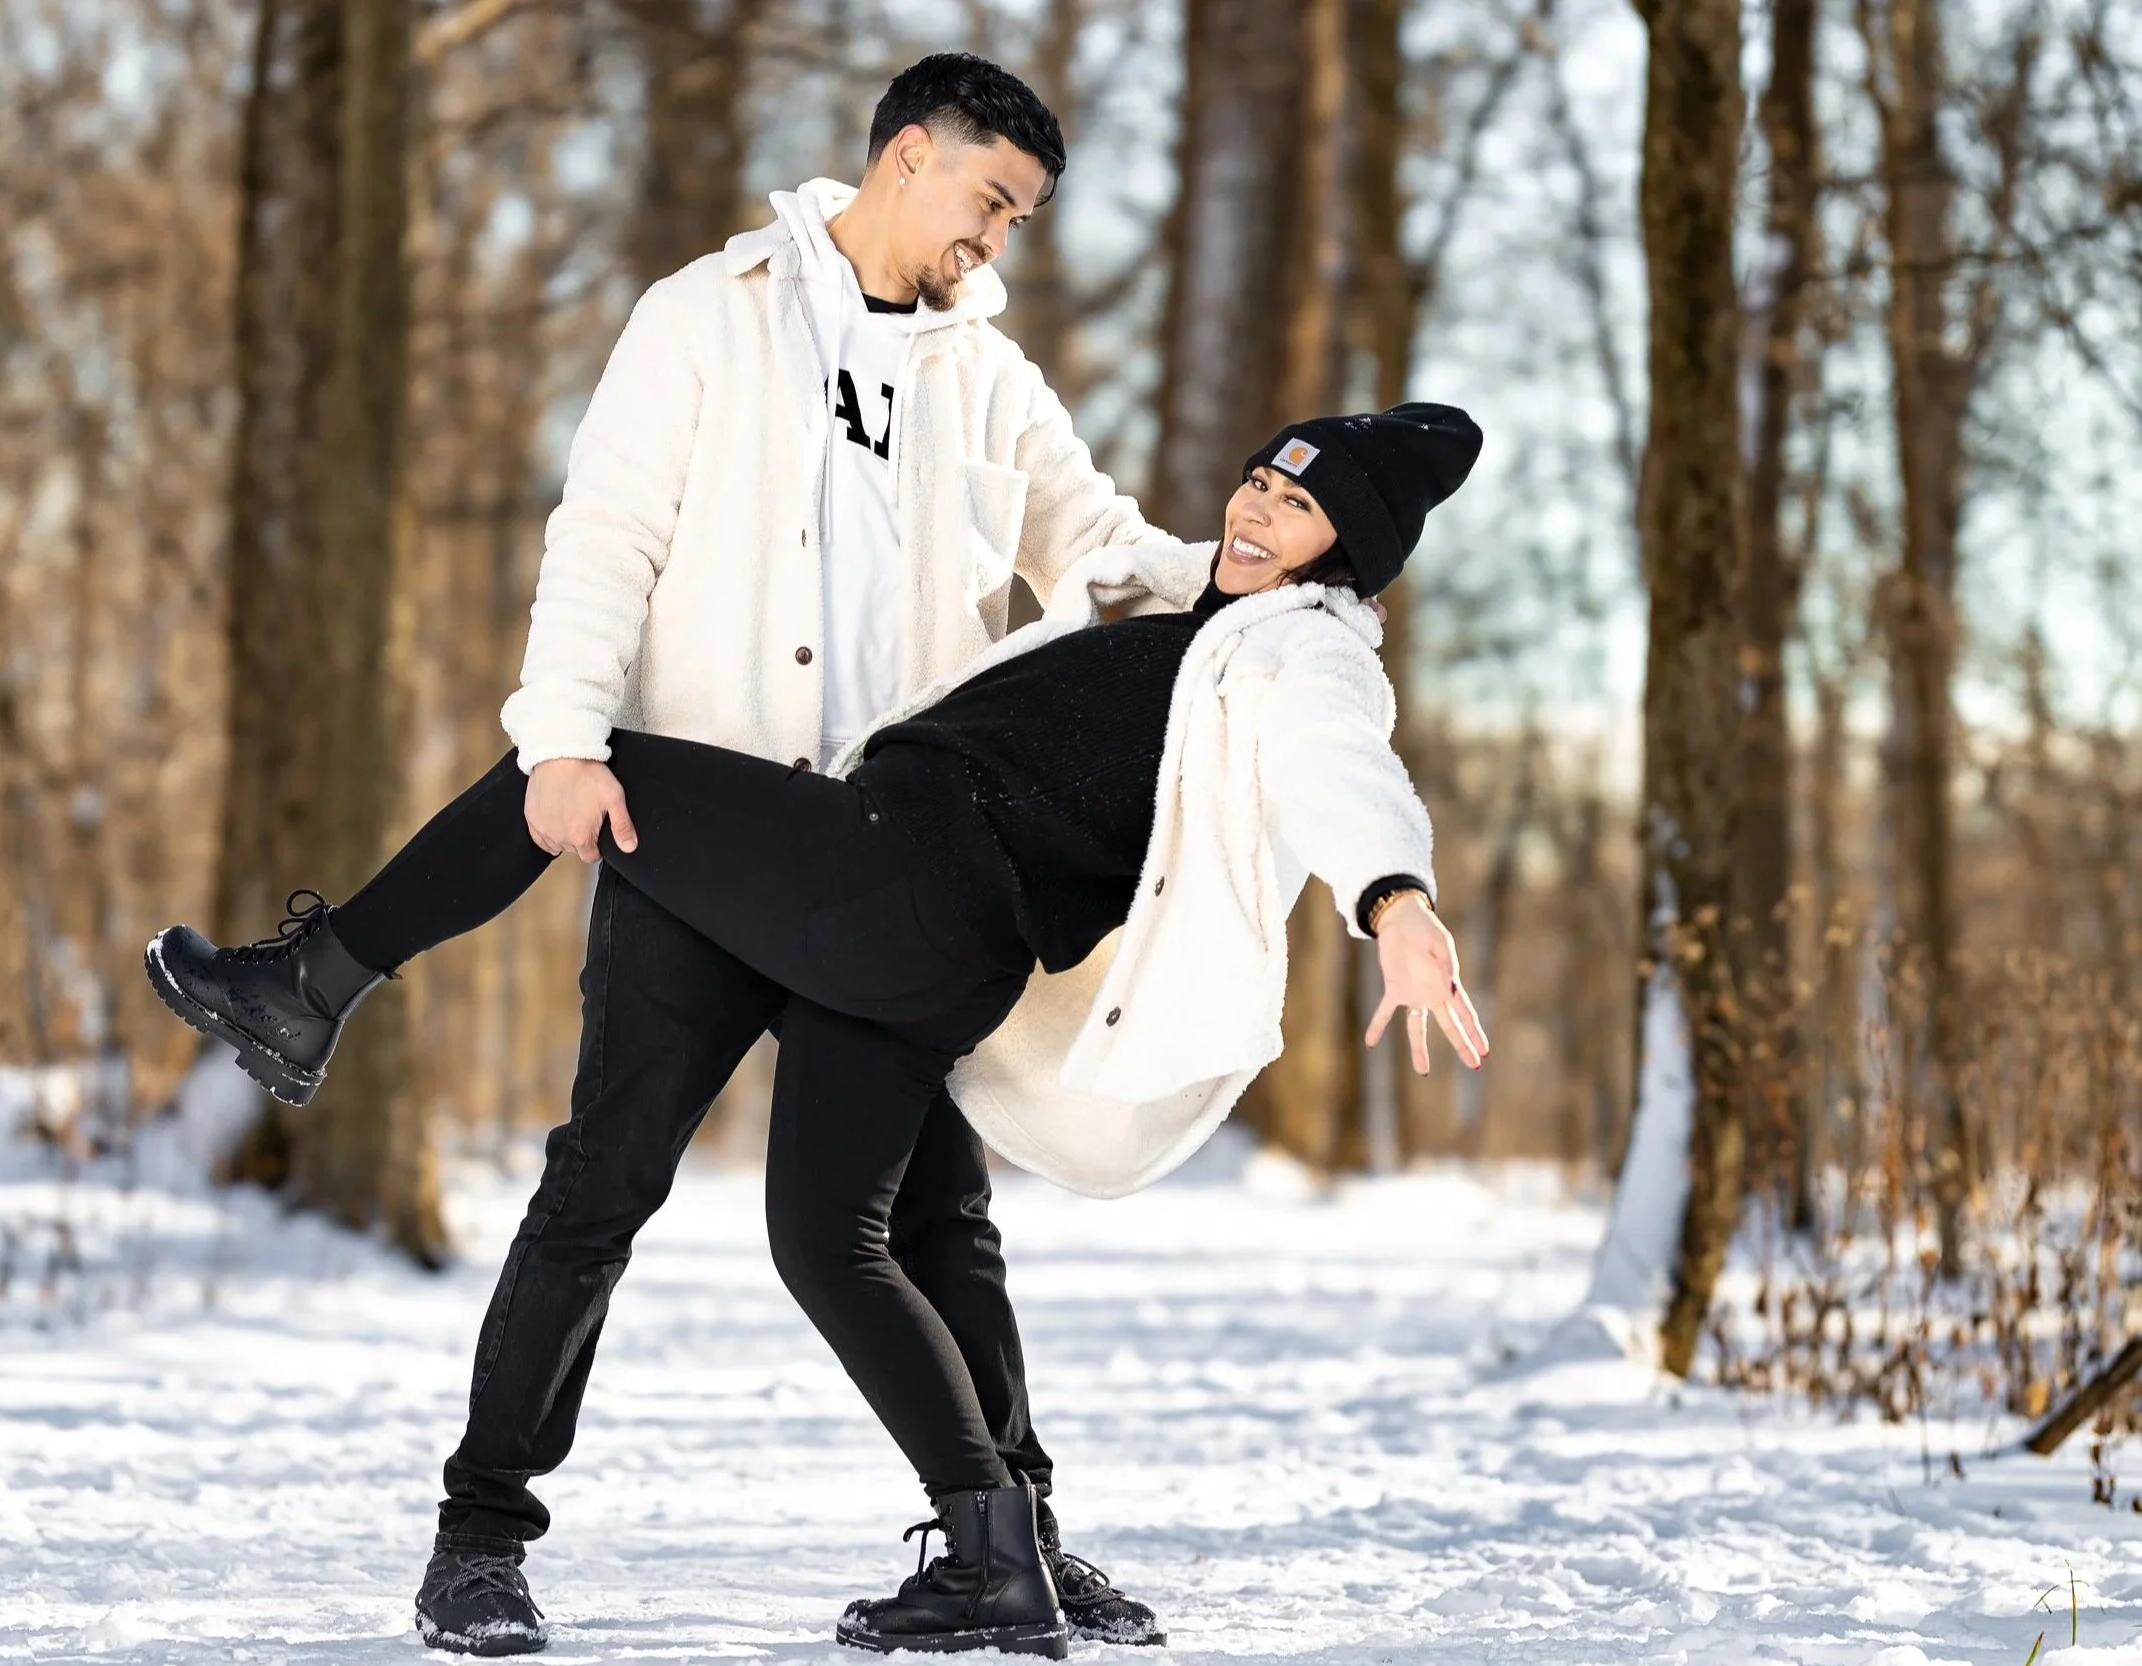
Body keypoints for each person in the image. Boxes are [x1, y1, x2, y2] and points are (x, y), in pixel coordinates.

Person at [148, 403, 1492, 1658]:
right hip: (934, 948)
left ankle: (311, 982)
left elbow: (1342, 769)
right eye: (1258, 482)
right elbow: (1084, 517)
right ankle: (992, 1552)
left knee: (569, 765)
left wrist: (1394, 898)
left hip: (883, 872)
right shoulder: (1188, 605)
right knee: (827, 1237)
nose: (1256, 512)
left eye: (1297, 512)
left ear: (1345, 562)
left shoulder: (1297, 652)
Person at [166, 53, 1211, 1657]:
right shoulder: (705, 314)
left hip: (887, 865)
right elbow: (607, 532)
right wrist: (566, 733)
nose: (999, 241)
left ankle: (1023, 1542)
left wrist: (1266, 566)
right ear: (910, 156)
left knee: (940, 1220)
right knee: (599, 1188)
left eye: (1021, 219)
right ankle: (480, 1541)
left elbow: (1113, 554)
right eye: (992, 201)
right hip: (700, 836)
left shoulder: (991, 383)